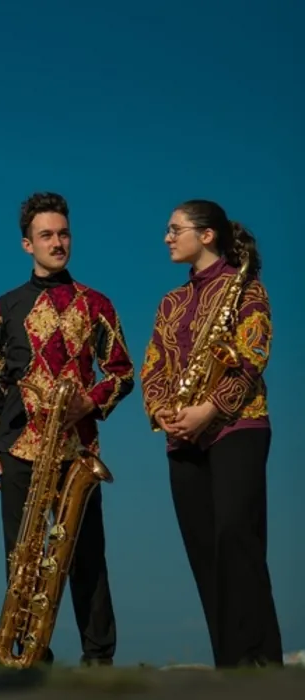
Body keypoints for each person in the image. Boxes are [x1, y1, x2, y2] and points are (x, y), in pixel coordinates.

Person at [0, 191, 134, 667]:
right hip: (19, 447)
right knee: (21, 559)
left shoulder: (97, 303)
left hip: (77, 451)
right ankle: (27, 657)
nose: (57, 242)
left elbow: (122, 372)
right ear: (27, 245)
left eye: (63, 233)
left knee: (88, 557)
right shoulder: (5, 306)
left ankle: (99, 659)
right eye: (46, 235)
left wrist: (91, 401)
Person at [139, 198, 283, 669]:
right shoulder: (170, 302)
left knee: (236, 537)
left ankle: (260, 661)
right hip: (183, 435)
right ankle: (230, 666)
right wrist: (163, 412)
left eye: (174, 228)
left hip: (238, 426)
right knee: (204, 550)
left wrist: (209, 409)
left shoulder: (246, 290)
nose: (166, 237)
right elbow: (154, 365)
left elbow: (252, 355)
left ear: (206, 235)